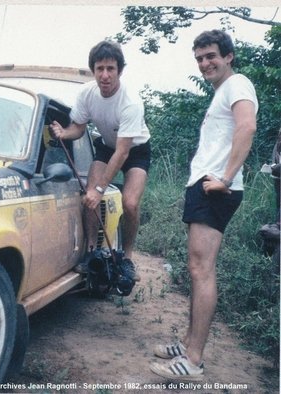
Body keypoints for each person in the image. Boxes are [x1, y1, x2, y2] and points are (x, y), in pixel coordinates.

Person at [150, 30, 258, 380]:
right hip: (206, 186)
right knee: (197, 269)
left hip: (216, 188)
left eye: (211, 55)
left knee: (202, 270)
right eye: (199, 58)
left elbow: (247, 127)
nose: (205, 63)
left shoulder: (238, 83)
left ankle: (193, 360)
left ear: (228, 56)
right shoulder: (222, 92)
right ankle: (187, 342)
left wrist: (225, 179)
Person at [49, 40, 151, 281]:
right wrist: (64, 133)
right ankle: (91, 252)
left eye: (111, 69)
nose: (105, 75)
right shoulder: (86, 93)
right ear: (93, 70)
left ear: (120, 71)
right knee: (89, 200)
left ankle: (126, 259)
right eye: (100, 69)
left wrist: (99, 188)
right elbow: (78, 128)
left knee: (130, 203)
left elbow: (123, 152)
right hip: (106, 146)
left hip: (134, 150)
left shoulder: (131, 103)